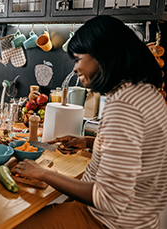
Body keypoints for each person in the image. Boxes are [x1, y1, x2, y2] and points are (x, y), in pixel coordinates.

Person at [14, 15, 167, 229]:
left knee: (15, 224)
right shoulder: (146, 93)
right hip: (138, 220)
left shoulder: (124, 105)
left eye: (78, 59)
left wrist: (42, 173)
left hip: (108, 222)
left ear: (103, 56)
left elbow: (109, 198)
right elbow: (136, 151)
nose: (75, 69)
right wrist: (89, 142)